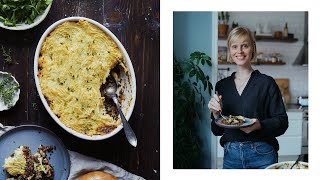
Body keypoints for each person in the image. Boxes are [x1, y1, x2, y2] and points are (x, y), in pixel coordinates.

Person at [208, 26, 288, 169]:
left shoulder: (266, 82)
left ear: (252, 49)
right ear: (230, 51)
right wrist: (216, 115)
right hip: (231, 156)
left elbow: (282, 122)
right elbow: (217, 131)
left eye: (245, 45)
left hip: (262, 154)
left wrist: (260, 125)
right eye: (234, 46)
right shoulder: (222, 86)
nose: (239, 51)